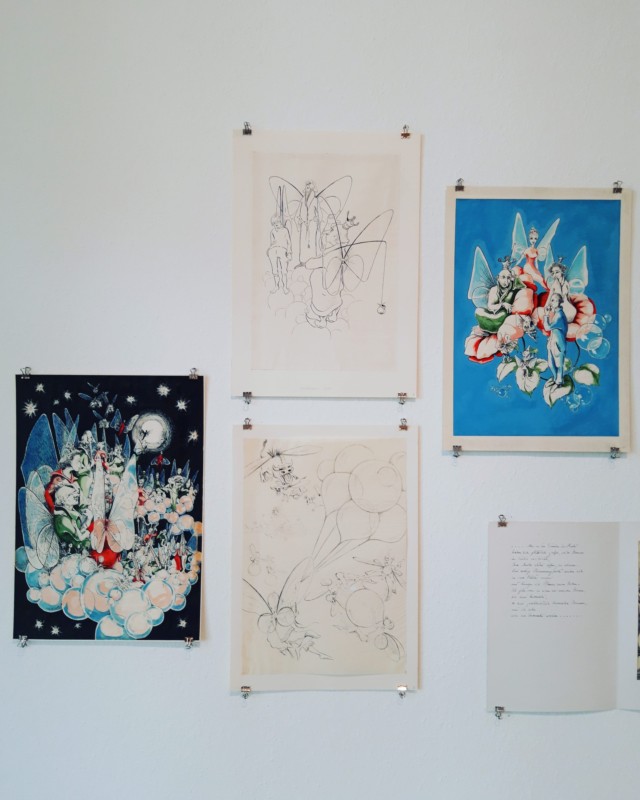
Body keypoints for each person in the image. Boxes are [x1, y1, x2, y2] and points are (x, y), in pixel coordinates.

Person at [543, 293, 568, 385]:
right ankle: (555, 379)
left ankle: (559, 381)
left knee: (559, 364)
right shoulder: (556, 314)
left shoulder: (560, 315)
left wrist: (546, 315)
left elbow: (547, 327)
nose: (551, 302)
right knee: (551, 364)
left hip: (558, 344)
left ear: (559, 302)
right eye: (551, 300)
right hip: (552, 343)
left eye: (554, 300)